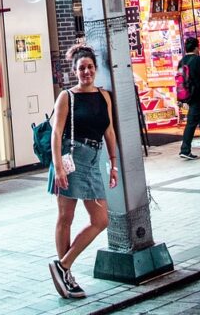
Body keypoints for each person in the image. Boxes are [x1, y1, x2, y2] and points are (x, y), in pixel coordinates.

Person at [48, 44, 118, 300]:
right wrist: (57, 168)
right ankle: (66, 275)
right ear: (75, 71)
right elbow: (57, 133)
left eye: (90, 67)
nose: (86, 72)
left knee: (101, 220)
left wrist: (113, 162)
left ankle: (62, 265)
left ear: (95, 69)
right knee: (65, 216)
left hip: (94, 160)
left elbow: (108, 130)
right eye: (81, 68)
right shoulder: (67, 96)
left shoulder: (104, 96)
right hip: (71, 158)